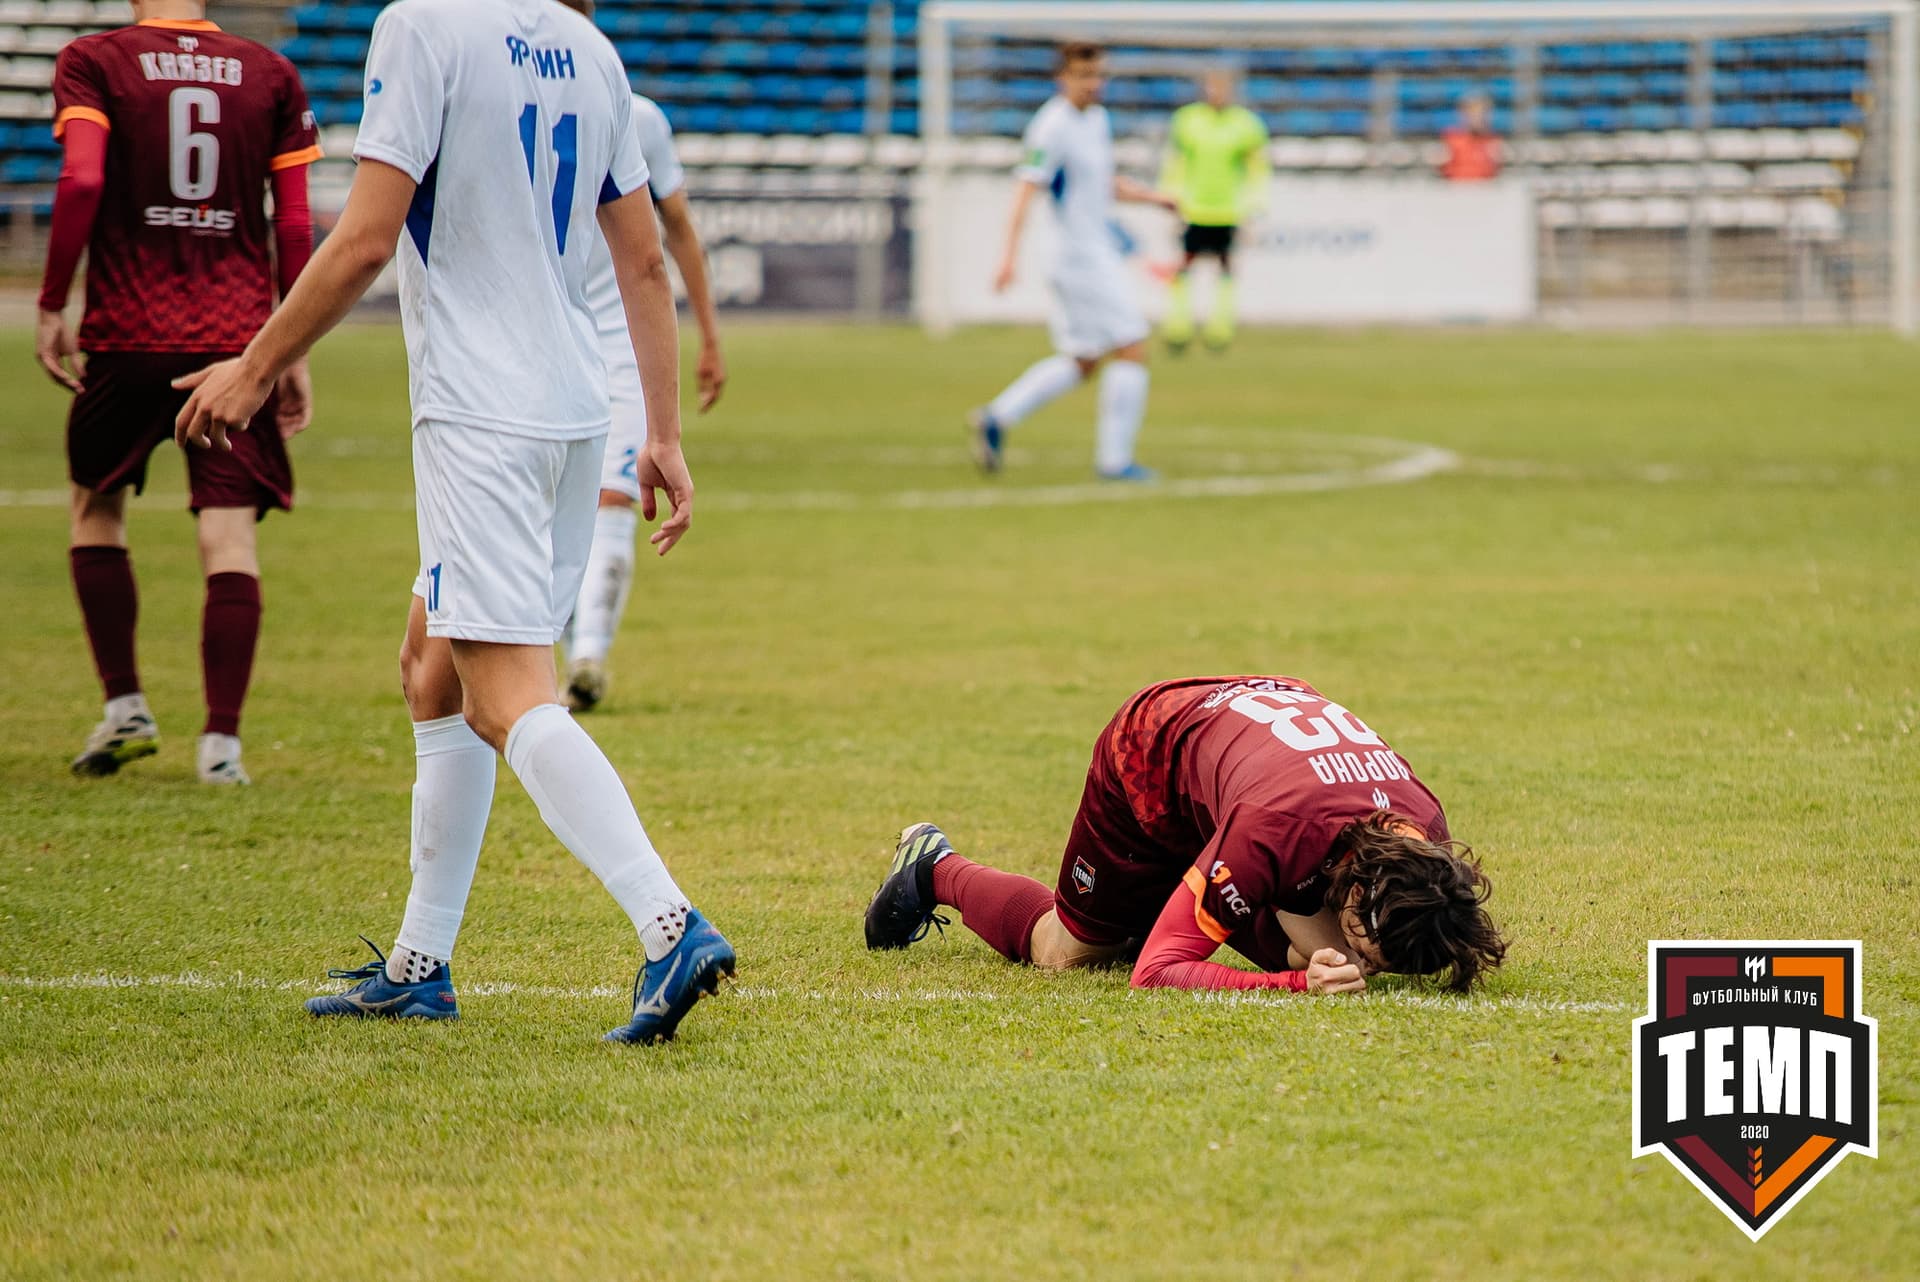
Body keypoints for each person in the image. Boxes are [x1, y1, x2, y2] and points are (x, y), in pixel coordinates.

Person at [173, 0, 733, 1044]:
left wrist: (256, 366)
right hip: (577, 413)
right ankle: (420, 965)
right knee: (431, 660)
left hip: (481, 413)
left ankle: (671, 923)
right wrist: (659, 431)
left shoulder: (422, 28)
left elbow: (366, 237)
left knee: (505, 694)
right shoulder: (591, 49)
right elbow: (643, 259)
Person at [37, 0, 320, 784]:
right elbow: (292, 225)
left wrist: (54, 298)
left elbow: (83, 175)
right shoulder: (270, 72)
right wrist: (288, 347)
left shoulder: (95, 59)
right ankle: (221, 744)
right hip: (235, 342)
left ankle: (125, 703)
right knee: (228, 539)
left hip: (127, 331)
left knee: (96, 508)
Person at [865, 676, 1506, 994]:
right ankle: (933, 866)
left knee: (1318, 948)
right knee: (1071, 952)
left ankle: (1181, 901)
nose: (1368, 962)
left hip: (1253, 750)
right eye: (1373, 948)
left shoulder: (1423, 835)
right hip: (1153, 757)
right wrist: (1293, 986)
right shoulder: (1275, 830)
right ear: (1361, 881)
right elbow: (1157, 973)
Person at [563, 91, 724, 715]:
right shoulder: (631, 110)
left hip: (620, 342)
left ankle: (587, 661)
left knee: (612, 498)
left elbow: (676, 232)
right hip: (560, 338)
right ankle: (534, 663)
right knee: (562, 502)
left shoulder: (641, 117)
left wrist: (710, 334)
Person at [967, 42, 1178, 483]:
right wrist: (1009, 256)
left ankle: (996, 417)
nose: (1093, 84)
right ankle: (1115, 462)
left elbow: (1103, 184)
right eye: (1083, 75)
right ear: (1061, 78)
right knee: (1132, 346)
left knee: (1084, 359)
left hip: (1092, 251)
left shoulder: (1097, 120)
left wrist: (1155, 199)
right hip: (1077, 256)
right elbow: (1026, 188)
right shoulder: (1050, 128)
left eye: (1098, 75)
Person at [1158, 69, 1269, 353]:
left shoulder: (1246, 125)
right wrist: (1171, 196)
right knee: (1183, 266)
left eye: (1222, 87)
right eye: (1212, 87)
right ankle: (1178, 328)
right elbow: (1176, 162)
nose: (1216, 93)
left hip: (1228, 210)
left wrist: (1255, 205)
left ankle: (1220, 329)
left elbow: (1257, 168)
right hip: (1194, 208)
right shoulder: (1187, 120)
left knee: (1226, 267)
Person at [1440, 92, 1502, 181]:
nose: (1477, 116)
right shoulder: (1451, 138)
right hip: (1457, 189)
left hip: (1484, 190)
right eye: (1472, 112)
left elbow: (1492, 171)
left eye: (1482, 112)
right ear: (1463, 114)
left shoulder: (1492, 139)